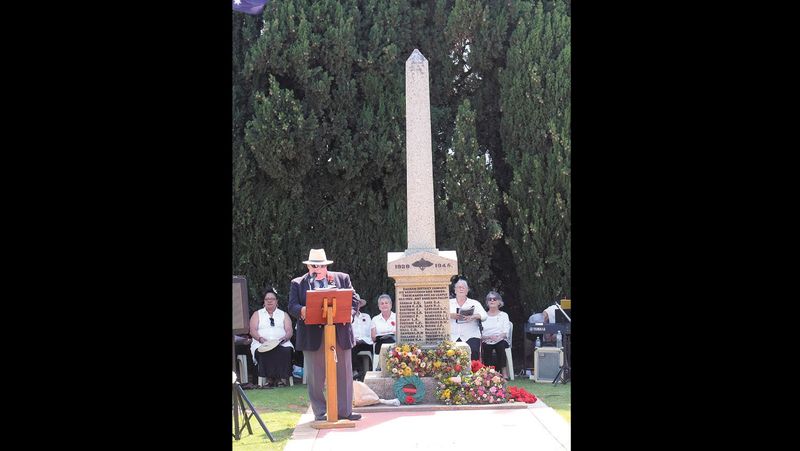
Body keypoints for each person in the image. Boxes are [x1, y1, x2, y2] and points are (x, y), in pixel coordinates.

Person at [288, 248, 362, 422]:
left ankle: (345, 411)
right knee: (315, 376)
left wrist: (350, 313)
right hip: (312, 336)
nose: (317, 269)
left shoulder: (342, 278)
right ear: (308, 267)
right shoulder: (298, 283)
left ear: (326, 266)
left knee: (344, 373)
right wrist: (303, 310)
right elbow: (292, 306)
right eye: (313, 265)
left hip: (340, 333)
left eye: (320, 265)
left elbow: (354, 299)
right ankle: (320, 413)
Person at [249, 287, 294, 388]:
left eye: (272, 299)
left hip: (282, 343)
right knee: (265, 351)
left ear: (276, 301)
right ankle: (272, 379)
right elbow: (252, 330)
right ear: (264, 302)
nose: (269, 301)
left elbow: (289, 330)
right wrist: (261, 339)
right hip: (261, 344)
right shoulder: (257, 314)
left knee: (284, 351)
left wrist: (284, 339)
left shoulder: (284, 314)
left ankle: (278, 379)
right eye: (267, 299)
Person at [448, 278, 487, 361]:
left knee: (473, 350)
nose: (461, 289)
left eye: (463, 287)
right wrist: (450, 315)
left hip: (471, 335)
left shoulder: (474, 303)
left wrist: (473, 316)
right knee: (449, 353)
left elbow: (484, 316)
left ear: (467, 290)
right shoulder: (448, 303)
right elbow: (440, 316)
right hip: (453, 336)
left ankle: (474, 372)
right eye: (459, 287)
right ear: (455, 290)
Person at [480, 291, 511, 371]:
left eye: (494, 299)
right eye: (490, 299)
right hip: (486, 340)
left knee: (500, 345)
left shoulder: (504, 315)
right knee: (486, 347)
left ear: (499, 302)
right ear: (487, 302)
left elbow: (506, 332)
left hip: (501, 339)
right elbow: (480, 333)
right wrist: (488, 337)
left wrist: (498, 337)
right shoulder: (483, 316)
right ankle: (489, 372)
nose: (492, 301)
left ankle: (504, 371)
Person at [350, 293, 373, 381]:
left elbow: (371, 331)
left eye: (357, 303)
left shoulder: (366, 316)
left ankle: (359, 371)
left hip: (366, 342)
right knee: (351, 346)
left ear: (360, 305)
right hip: (354, 342)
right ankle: (356, 371)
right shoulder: (348, 317)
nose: (356, 305)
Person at [370, 294, 396, 366]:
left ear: (390, 305)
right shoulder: (375, 319)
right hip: (380, 344)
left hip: (394, 344)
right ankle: (379, 366)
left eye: (386, 303)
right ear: (379, 307)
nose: (384, 305)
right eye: (382, 303)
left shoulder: (397, 317)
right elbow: (373, 337)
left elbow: (400, 333)